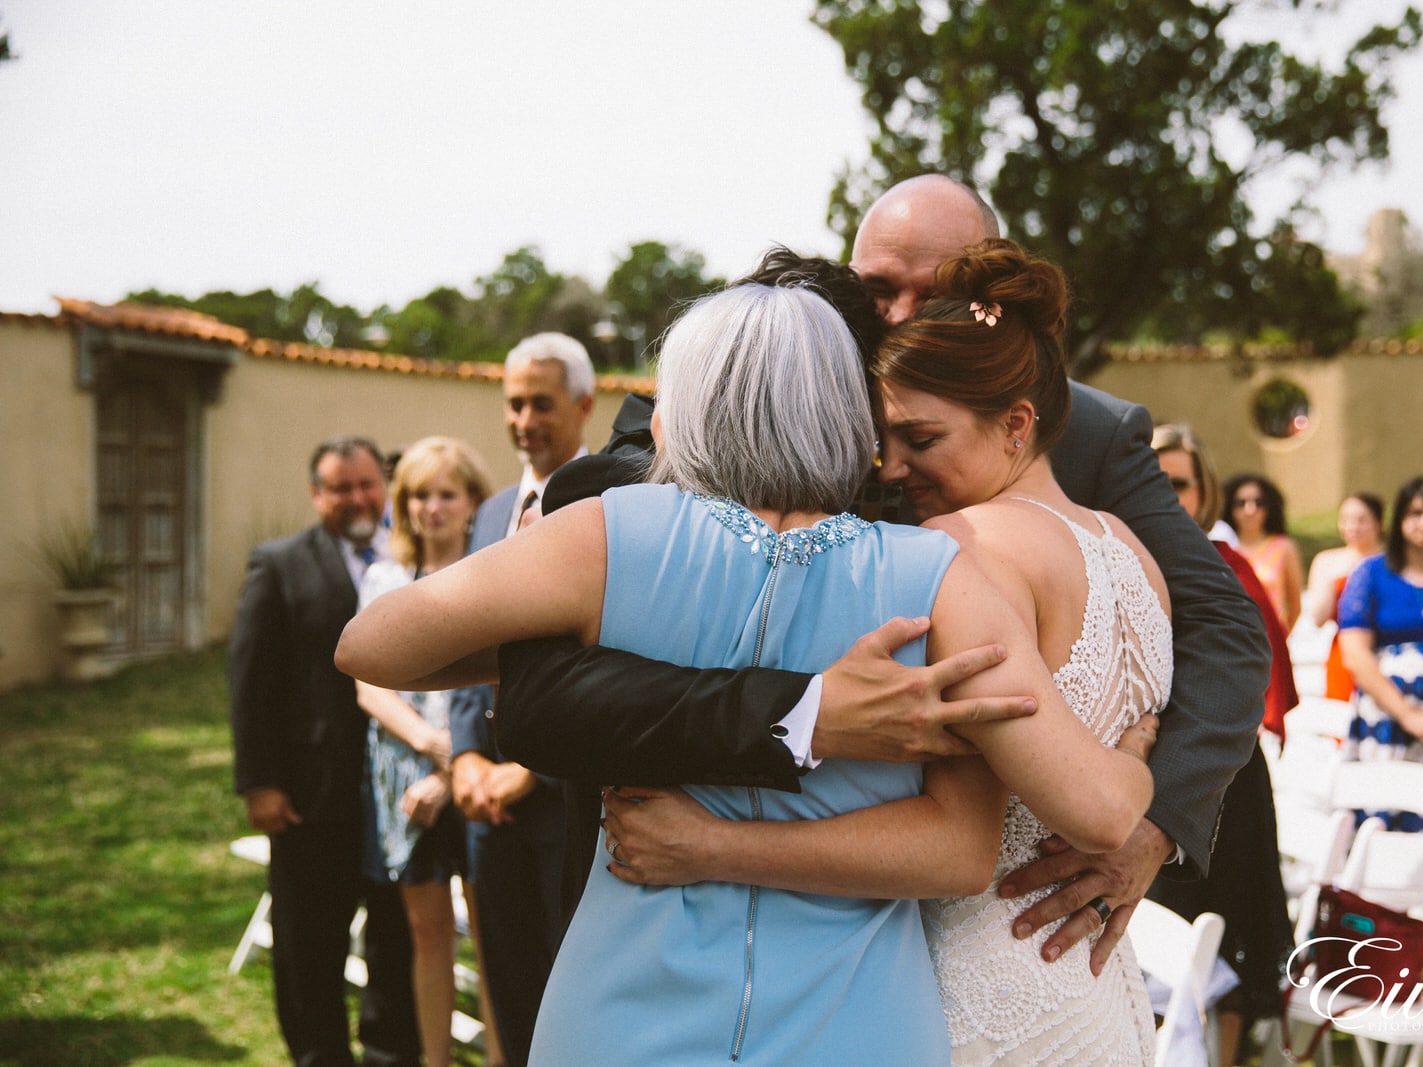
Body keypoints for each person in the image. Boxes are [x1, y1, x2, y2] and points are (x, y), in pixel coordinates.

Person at [336, 279, 1156, 1064]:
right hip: (856, 1023)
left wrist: (575, 627)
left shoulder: (609, 537)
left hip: (623, 1013)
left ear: (685, 408)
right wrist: (1140, 744)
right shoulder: (938, 575)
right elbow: (1092, 813)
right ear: (850, 415)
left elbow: (372, 645)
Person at [489, 175, 1270, 972]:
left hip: (952, 913)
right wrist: (801, 714)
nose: (899, 316)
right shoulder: (730, 397)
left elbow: (1225, 625)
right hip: (671, 904)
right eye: (879, 289)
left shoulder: (1088, 431)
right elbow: (545, 694)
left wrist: (1154, 819)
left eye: (934, 292)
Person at [599, 240, 1170, 1063]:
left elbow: (1071, 816)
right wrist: (1141, 751)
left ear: (1016, 424)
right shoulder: (1128, 546)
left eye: (921, 438)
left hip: (985, 994)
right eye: (883, 441)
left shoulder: (959, 550)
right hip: (1097, 988)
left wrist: (712, 845)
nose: (894, 469)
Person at [228, 435, 419, 1067]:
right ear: (317, 496)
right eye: (340, 487)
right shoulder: (278, 564)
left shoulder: (411, 555)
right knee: (309, 946)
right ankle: (318, 1055)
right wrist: (260, 782)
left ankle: (389, 1052)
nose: (357, 498)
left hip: (396, 793)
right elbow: (250, 680)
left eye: (367, 484)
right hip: (311, 794)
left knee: (397, 937)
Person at [446, 332, 594, 1065]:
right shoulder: (492, 510)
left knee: (568, 988)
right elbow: (470, 643)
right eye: (513, 403)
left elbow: (608, 653)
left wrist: (530, 769)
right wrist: (466, 754)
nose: (524, 418)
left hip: (566, 796)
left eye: (541, 402)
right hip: (485, 806)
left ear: (584, 404)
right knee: (503, 980)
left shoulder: (612, 501)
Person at [1148, 423, 1294, 1065]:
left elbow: (1259, 674)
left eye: (1179, 483)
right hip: (1137, 781)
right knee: (1153, 944)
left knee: (1230, 935)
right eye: (1153, 479)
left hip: (1227, 783)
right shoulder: (1105, 560)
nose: (1166, 494)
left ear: (1203, 493)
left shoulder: (1228, 568)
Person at [354, 437, 500, 1067]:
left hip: (477, 775)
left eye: (446, 493)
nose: (432, 508)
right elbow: (368, 685)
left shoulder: (495, 572)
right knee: (426, 931)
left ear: (473, 501)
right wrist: (434, 749)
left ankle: (502, 1056)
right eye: (418, 495)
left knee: (491, 934)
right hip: (407, 777)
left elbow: (498, 680)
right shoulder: (386, 577)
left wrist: (454, 767)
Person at [1338, 478, 1423, 829]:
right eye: (1415, 513)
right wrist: (1407, 714)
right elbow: (1355, 653)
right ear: (1399, 520)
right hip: (1388, 722)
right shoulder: (1372, 573)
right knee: (1385, 819)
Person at [1304, 492, 1385, 700]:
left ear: (1378, 522)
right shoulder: (1327, 560)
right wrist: (1337, 575)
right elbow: (1318, 618)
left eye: (1361, 520)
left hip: (1386, 648)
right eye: (1346, 520)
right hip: (1343, 651)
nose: (1352, 526)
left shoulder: (1391, 561)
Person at [1223, 471, 1303, 631]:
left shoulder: (1284, 547)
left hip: (1270, 639)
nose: (1250, 510)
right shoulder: (1223, 546)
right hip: (1230, 636)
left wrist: (1281, 639)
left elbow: (1295, 604)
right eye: (1241, 503)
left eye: (1259, 502)